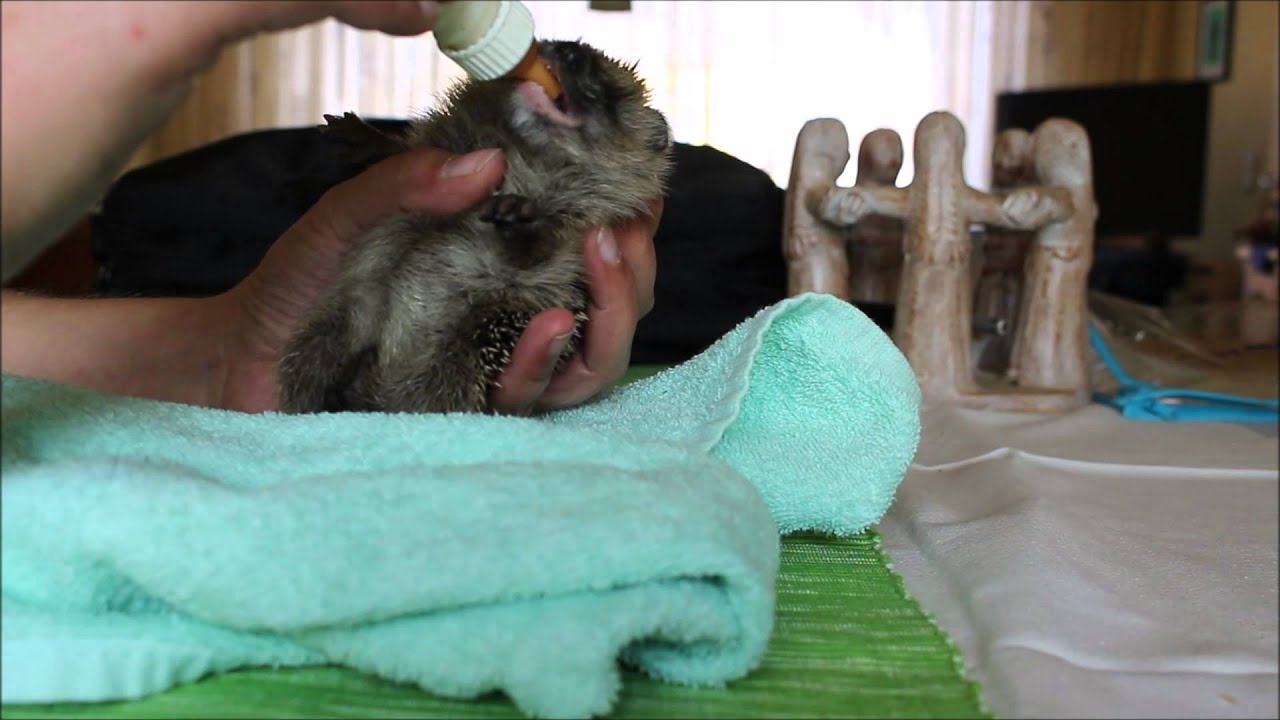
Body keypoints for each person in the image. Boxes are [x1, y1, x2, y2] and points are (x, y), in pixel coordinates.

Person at [0, 0, 661, 416]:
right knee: (327, 338)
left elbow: (535, 263)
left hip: (447, 342)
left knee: (508, 310)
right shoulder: (461, 149)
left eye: (600, 89)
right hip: (362, 326)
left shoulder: (565, 203)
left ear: (647, 149)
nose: (558, 63)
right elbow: (425, 158)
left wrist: (227, 353)